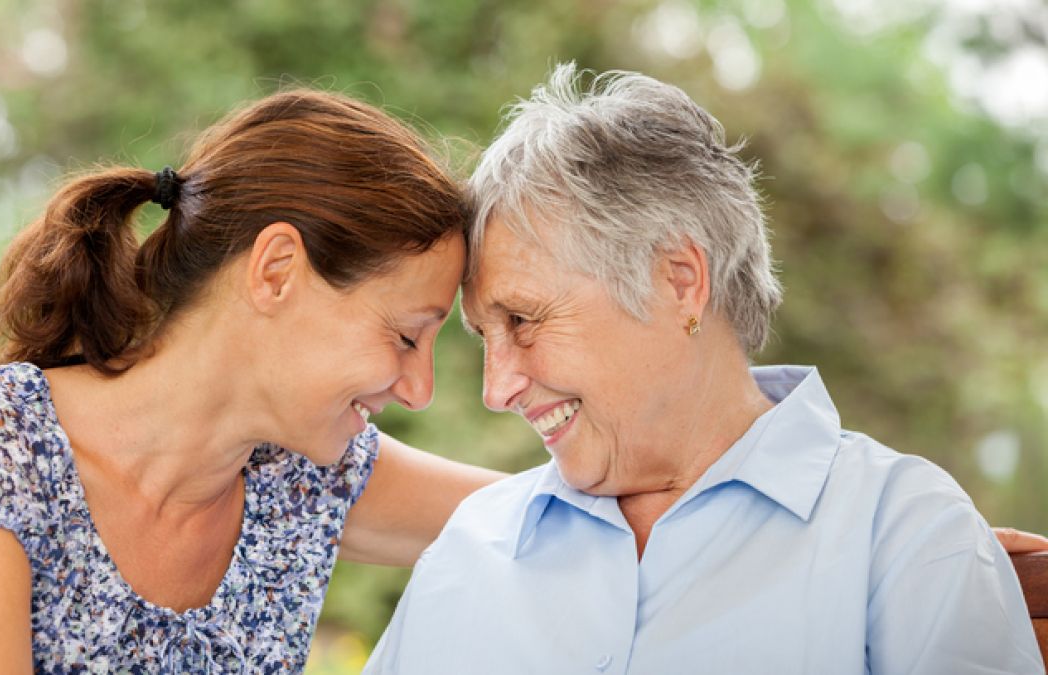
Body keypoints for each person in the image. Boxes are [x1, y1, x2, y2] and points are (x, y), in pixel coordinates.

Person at [364, 65, 1046, 674]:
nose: (496, 388)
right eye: (484, 336)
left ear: (679, 281)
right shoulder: (471, 545)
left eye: (522, 319)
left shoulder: (901, 533)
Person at [0, 89, 502, 673]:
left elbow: (541, 519)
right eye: (405, 336)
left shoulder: (302, 475)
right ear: (276, 271)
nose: (420, 390)